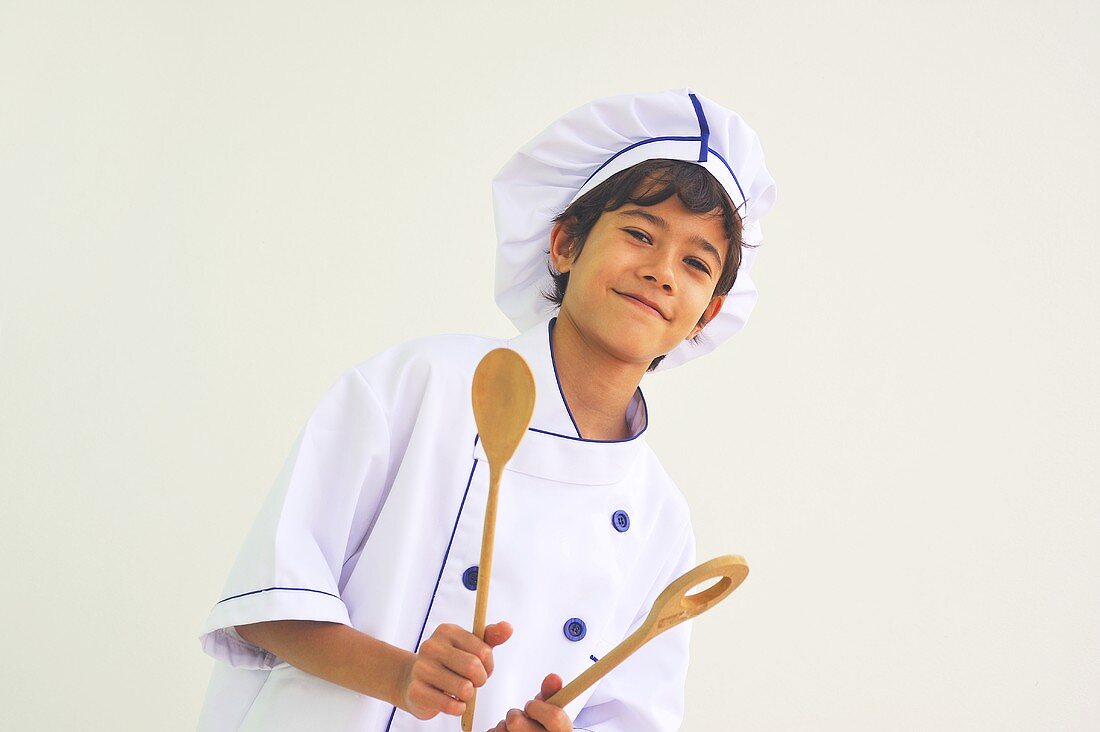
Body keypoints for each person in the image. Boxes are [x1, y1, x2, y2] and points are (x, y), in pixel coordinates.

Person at [197, 86, 777, 731]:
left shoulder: (660, 519)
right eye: (640, 233)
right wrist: (402, 676)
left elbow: (628, 719)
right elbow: (267, 599)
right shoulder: (422, 384)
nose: (662, 271)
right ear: (563, 244)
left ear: (709, 314)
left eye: (697, 262)